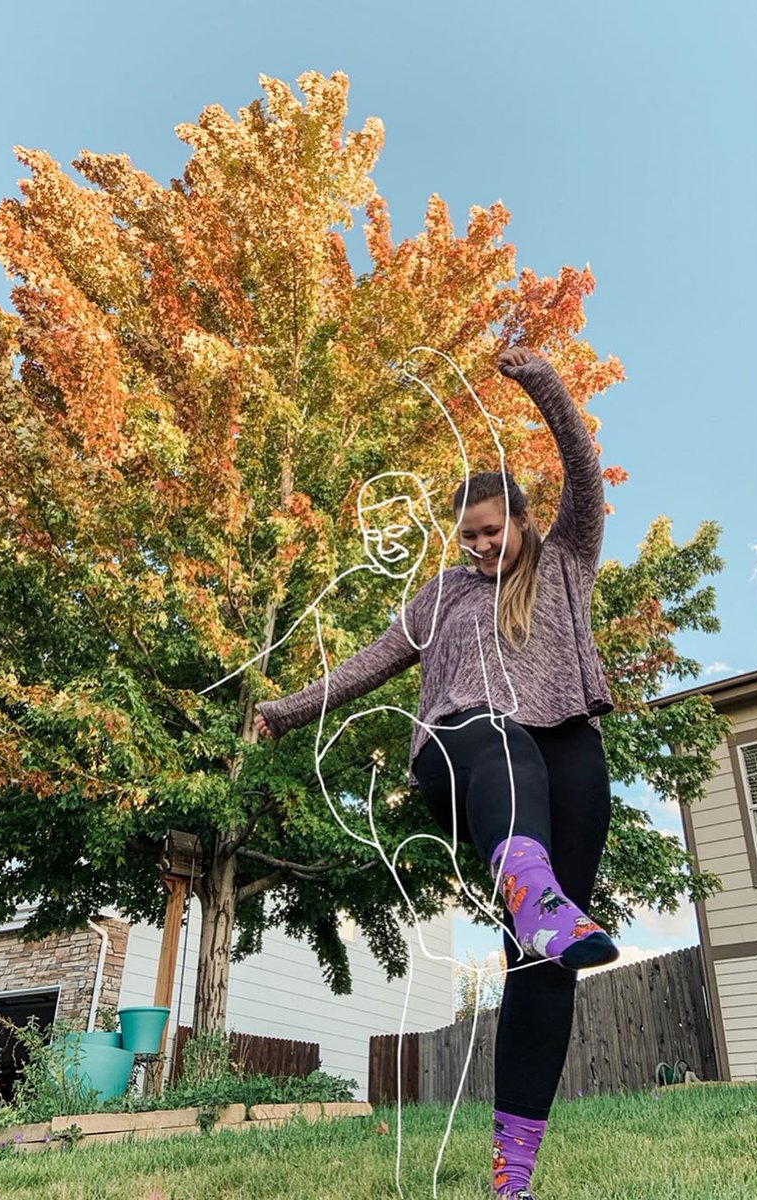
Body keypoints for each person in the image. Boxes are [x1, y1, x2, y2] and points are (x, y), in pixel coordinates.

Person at [254, 345, 618, 1200]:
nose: (485, 546)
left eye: (496, 530)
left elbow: (583, 470)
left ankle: (511, 1173)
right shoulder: (443, 594)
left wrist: (538, 382)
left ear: (523, 523)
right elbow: (375, 659)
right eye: (471, 536)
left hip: (567, 753)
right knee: (498, 730)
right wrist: (289, 709)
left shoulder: (566, 560)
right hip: (467, 749)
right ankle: (532, 890)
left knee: (542, 965)